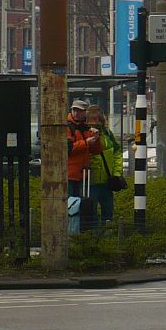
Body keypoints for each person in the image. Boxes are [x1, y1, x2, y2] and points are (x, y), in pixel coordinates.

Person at [65, 99, 101, 231]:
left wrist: (96, 139)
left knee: (84, 205)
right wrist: (86, 142)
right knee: (70, 205)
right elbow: (68, 148)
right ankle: (70, 230)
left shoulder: (86, 128)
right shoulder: (68, 127)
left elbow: (96, 151)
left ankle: (82, 231)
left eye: (79, 111)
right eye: (75, 110)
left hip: (83, 175)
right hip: (70, 174)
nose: (76, 113)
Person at [86, 104, 121, 227]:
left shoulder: (107, 134)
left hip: (107, 180)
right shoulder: (85, 133)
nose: (95, 123)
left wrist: (116, 174)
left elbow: (117, 153)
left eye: (97, 119)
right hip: (90, 181)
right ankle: (92, 237)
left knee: (108, 212)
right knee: (91, 213)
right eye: (92, 119)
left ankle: (106, 237)